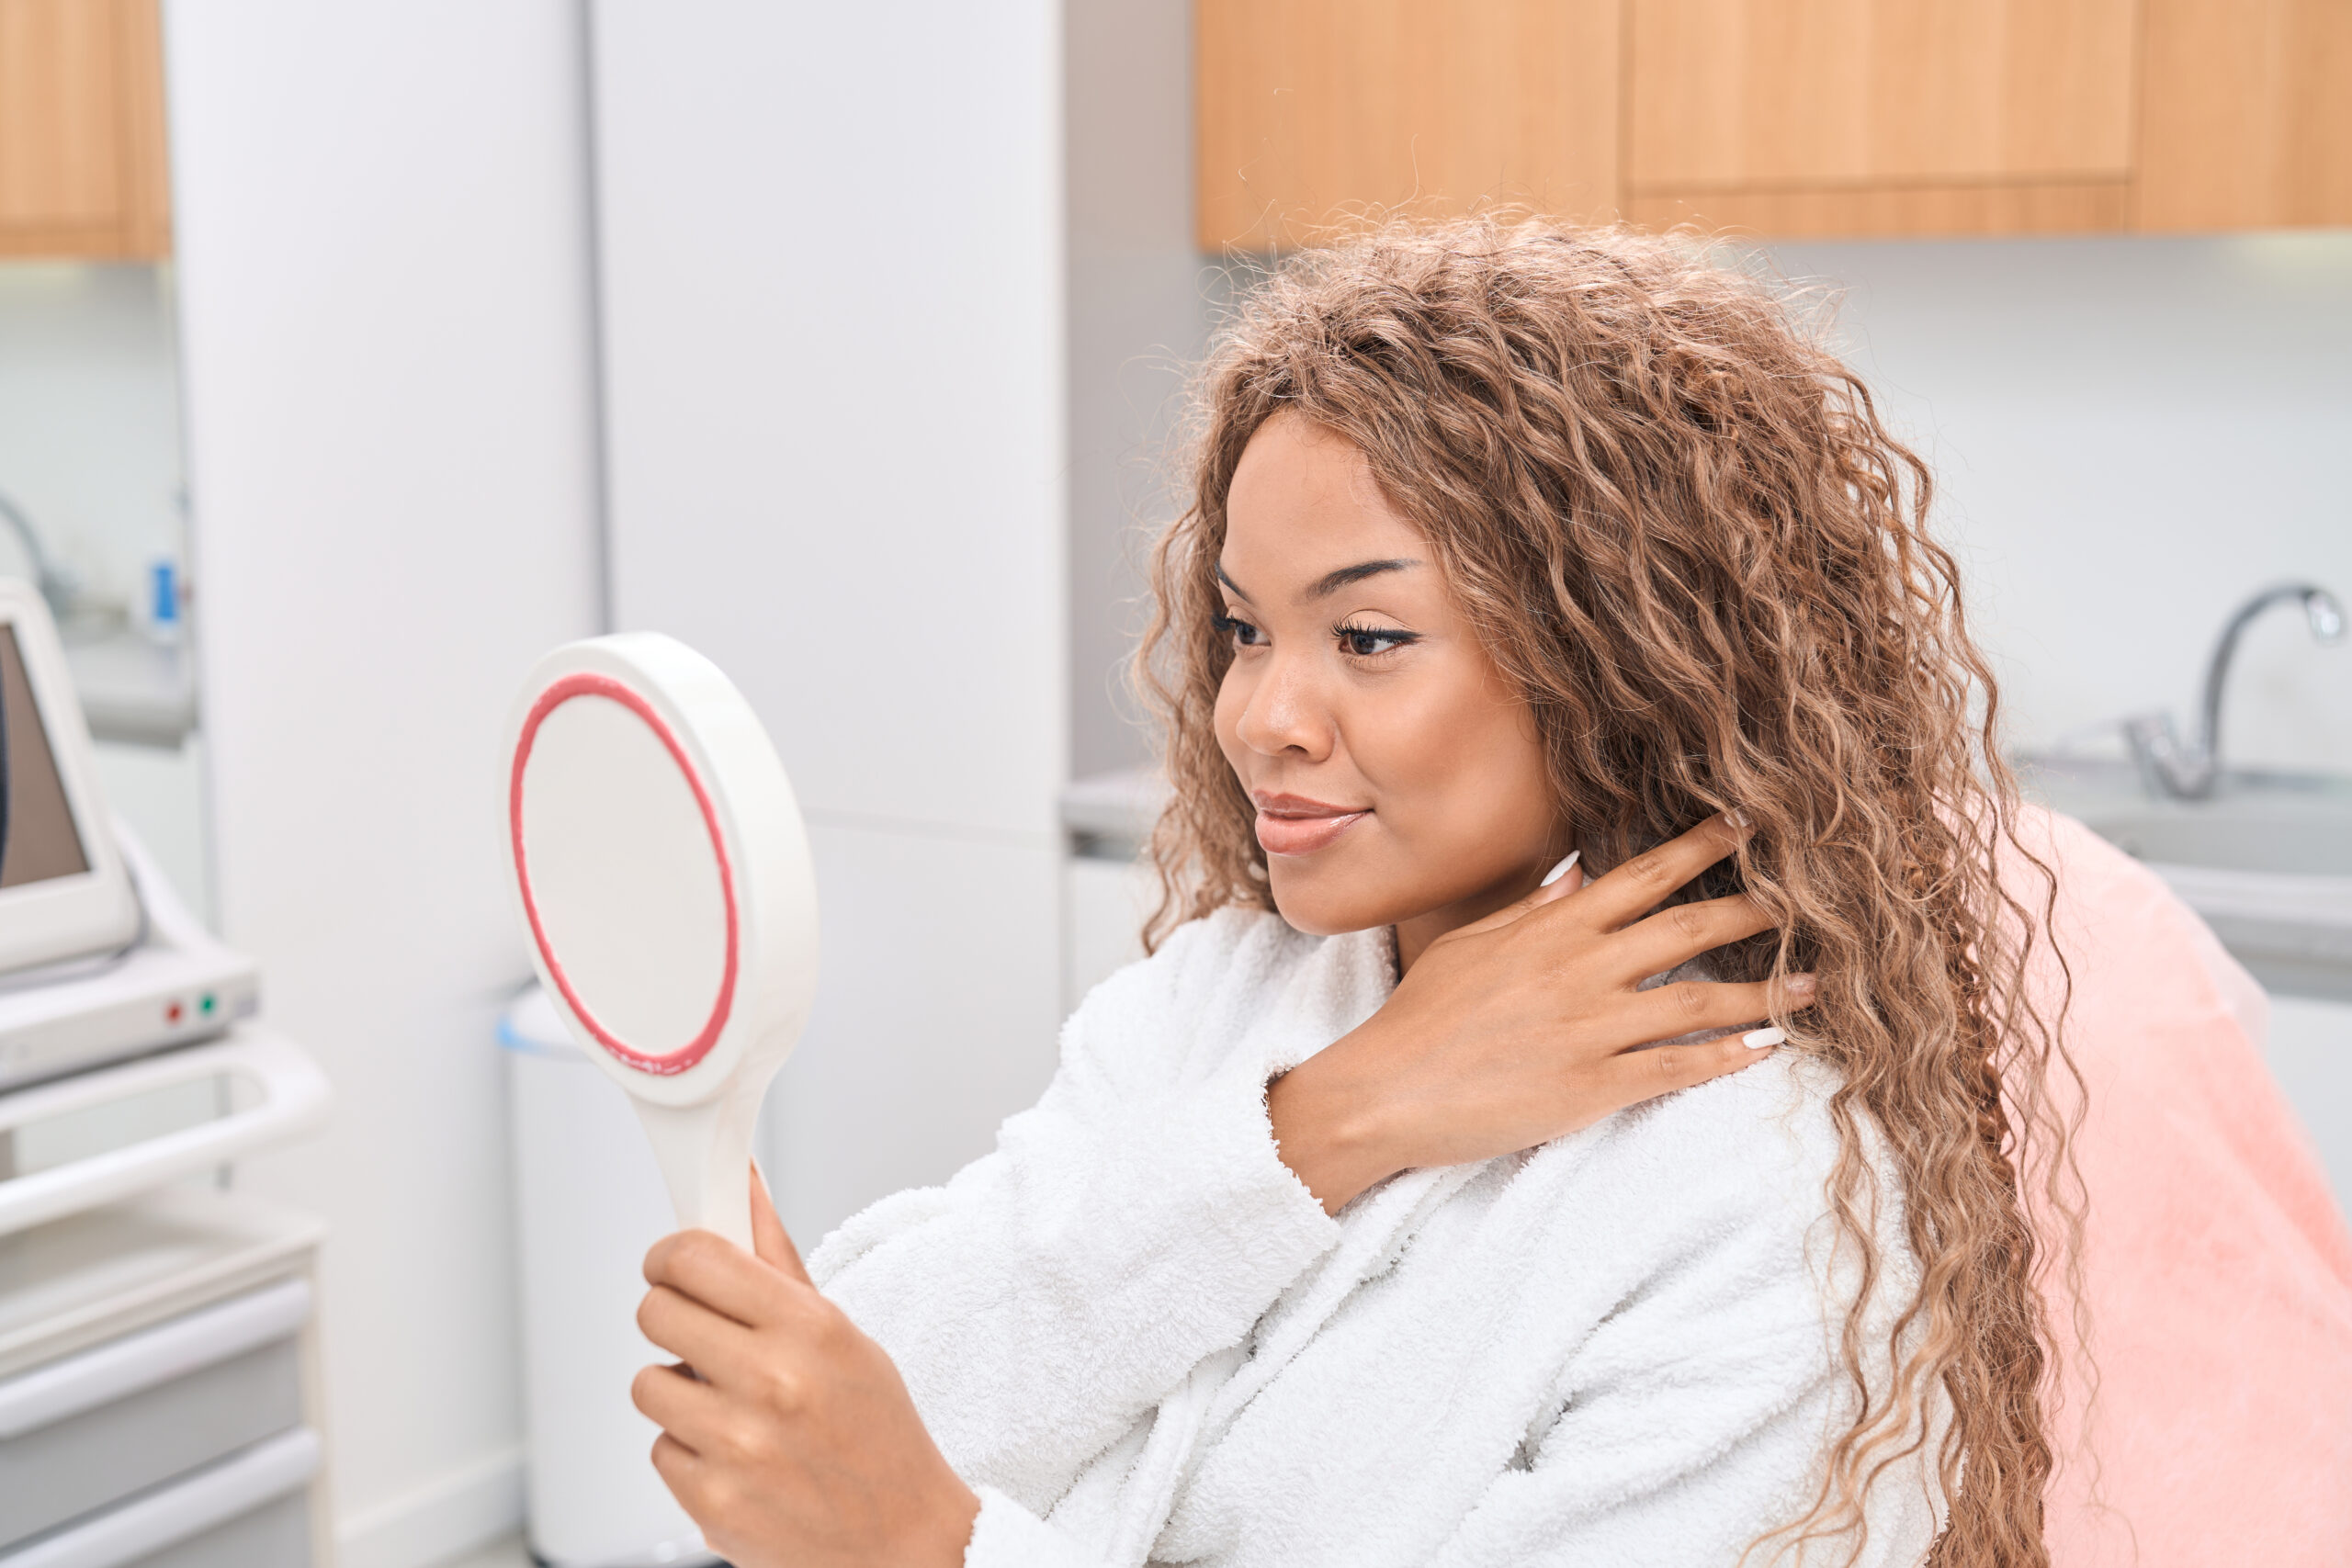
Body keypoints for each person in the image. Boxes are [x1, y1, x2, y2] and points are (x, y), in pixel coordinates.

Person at [626, 220, 2074, 1568]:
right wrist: (1335, 1118)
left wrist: (941, 1549)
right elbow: (846, 1412)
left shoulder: (1771, 1209)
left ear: (1627, 666)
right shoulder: (1233, 997)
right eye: (1247, 628)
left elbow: (881, 1501)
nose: (1259, 714)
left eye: (1369, 636)